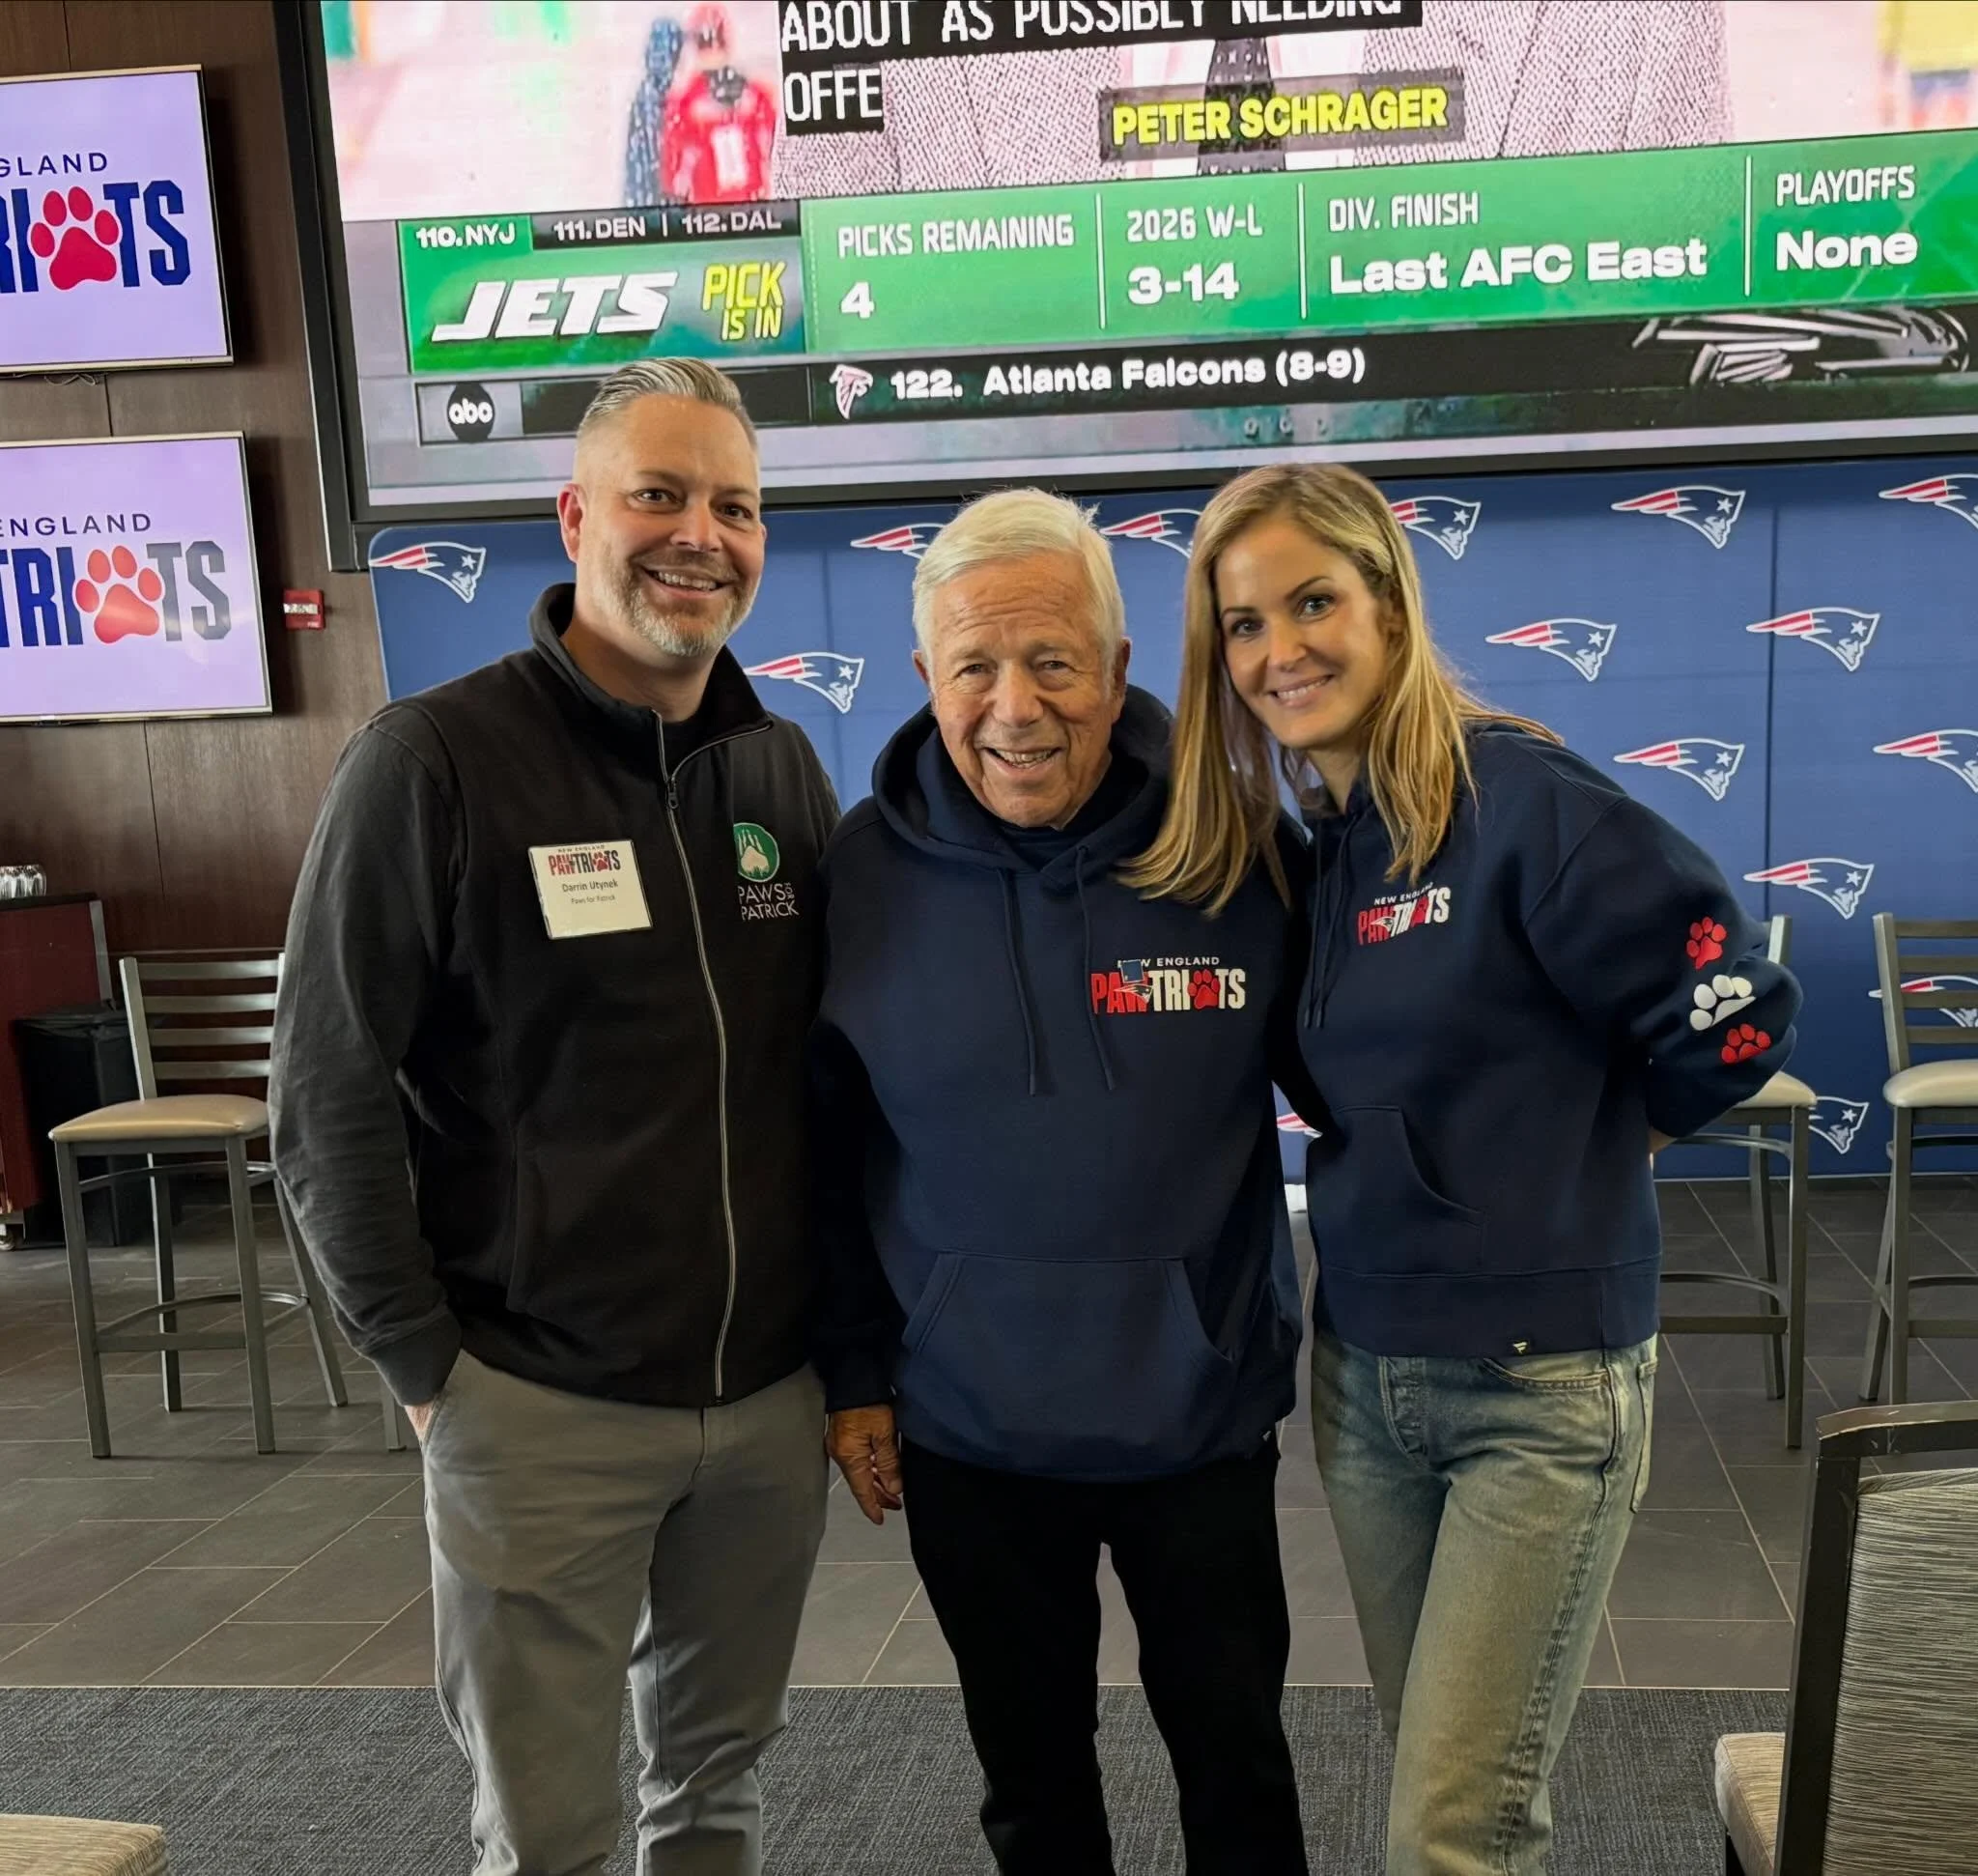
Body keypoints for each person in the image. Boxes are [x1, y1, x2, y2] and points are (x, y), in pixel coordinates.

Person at [1127, 463, 1802, 1876]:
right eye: (1244, 623)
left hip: (1538, 1393)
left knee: (1452, 1835)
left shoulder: (1521, 800)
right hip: (1370, 1383)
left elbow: (1737, 1010)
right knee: (1452, 1795)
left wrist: (1599, 1149)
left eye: (1313, 602)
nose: (1279, 649)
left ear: (1388, 600)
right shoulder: (1326, 849)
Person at [270, 357, 838, 1876]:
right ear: (578, 516)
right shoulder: (435, 762)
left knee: (715, 1797)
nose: (700, 535)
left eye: (736, 505)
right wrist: (427, 1371)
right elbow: (325, 1090)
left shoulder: (777, 765)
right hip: (535, 1403)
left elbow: (824, 1078)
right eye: (659, 494)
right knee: (549, 1839)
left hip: (763, 1406)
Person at [812, 489, 1311, 1876]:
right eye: (974, 665)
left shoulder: (1235, 842)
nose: (1014, 707)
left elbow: (1368, 1071)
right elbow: (827, 1151)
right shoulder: (858, 874)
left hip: (1197, 1418)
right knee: (1032, 1787)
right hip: (968, 1428)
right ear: (926, 673)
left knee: (1238, 1767)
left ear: (1118, 665)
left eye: (1052, 662)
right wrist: (852, 1374)